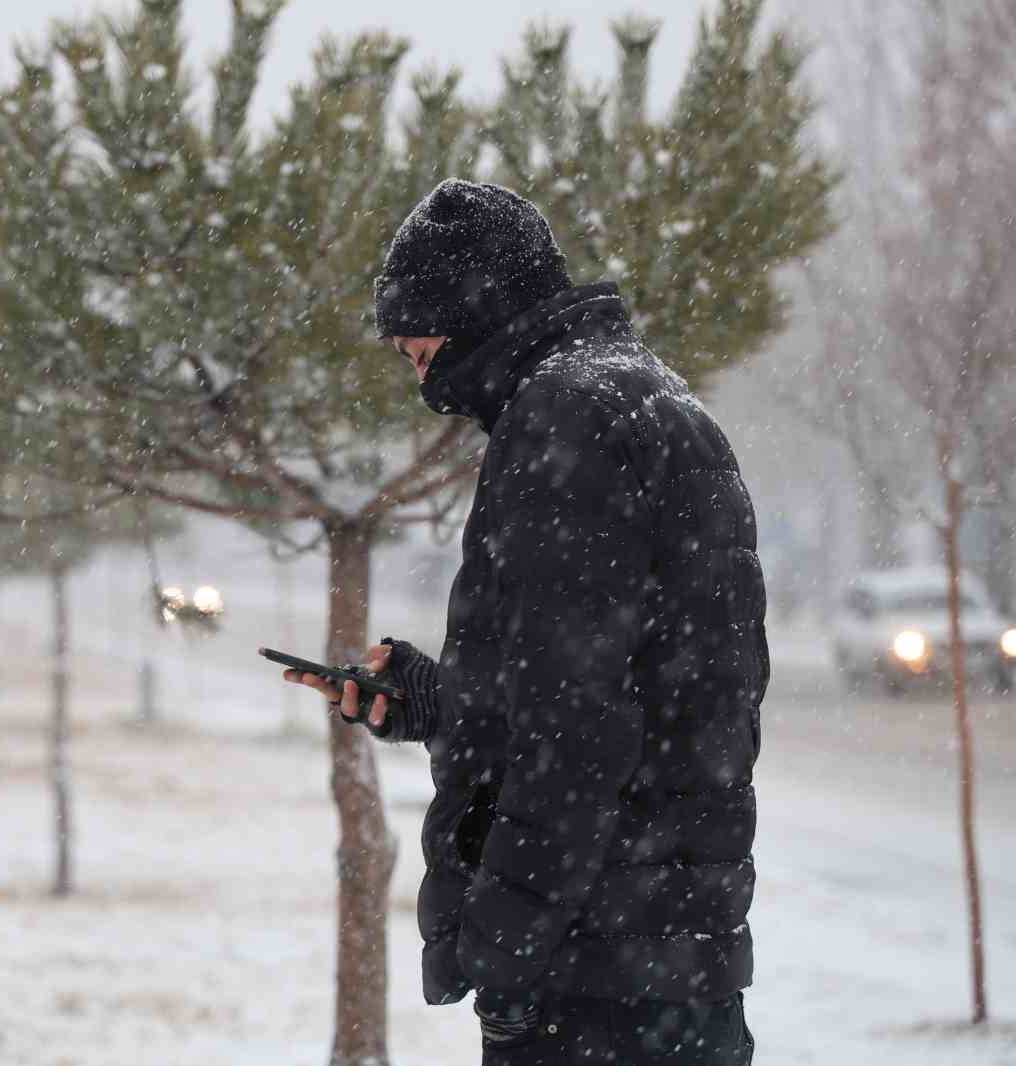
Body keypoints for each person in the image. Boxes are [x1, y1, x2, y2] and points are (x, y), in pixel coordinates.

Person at [283, 179, 763, 1064]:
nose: (404, 352)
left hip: (591, 977)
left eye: (413, 328)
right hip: (674, 957)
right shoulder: (656, 401)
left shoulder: (563, 422)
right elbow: (659, 686)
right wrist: (434, 698)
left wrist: (505, 948)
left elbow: (578, 732)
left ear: (475, 302)